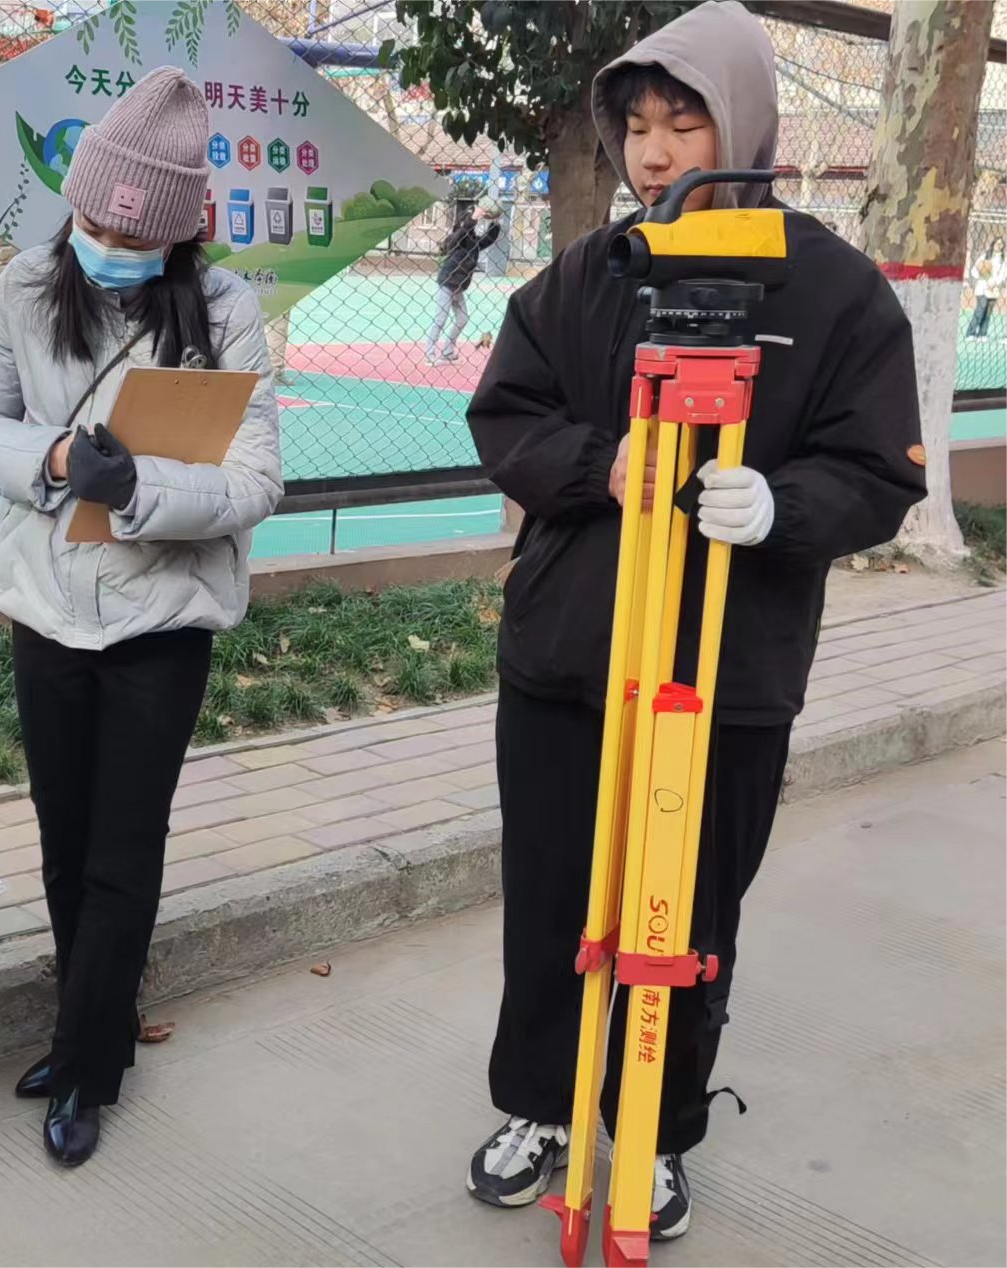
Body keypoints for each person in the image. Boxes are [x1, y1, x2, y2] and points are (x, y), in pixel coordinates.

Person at [463, 0, 925, 1240]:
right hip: (568, 655)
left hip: (725, 673)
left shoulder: (831, 291)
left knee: (688, 918)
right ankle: (541, 1104)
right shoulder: (588, 275)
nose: (654, 152)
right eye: (636, 126)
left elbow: (878, 468)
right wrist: (597, 464)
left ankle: (654, 1131)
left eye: (684, 121)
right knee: (550, 899)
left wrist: (779, 503)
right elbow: (505, 414)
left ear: (744, 125)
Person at [0, 67, 281, 1168]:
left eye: (135, 234)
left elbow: (254, 480)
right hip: (45, 606)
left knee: (123, 848)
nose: (109, 245)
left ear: (180, 229)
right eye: (93, 223)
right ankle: (85, 1022)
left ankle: (89, 1063)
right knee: (64, 833)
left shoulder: (224, 311)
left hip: (161, 619)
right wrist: (50, 459)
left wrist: (137, 488)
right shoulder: (27, 284)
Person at [426, 198, 500, 365]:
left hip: (458, 286)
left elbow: (488, 239)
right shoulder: (457, 240)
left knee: (462, 319)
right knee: (440, 319)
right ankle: (429, 354)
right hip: (448, 282)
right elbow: (463, 231)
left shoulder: (473, 243)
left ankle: (447, 351)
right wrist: (474, 217)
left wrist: (495, 223)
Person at [966, 236, 1005, 340]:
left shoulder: (1003, 260)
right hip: (982, 288)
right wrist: (981, 276)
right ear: (993, 244)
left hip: (994, 289)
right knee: (980, 309)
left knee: (988, 313)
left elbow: (1003, 275)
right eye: (997, 243)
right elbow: (974, 271)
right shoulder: (985, 256)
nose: (999, 246)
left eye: (1001, 244)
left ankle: (982, 334)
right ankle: (970, 333)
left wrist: (995, 283)